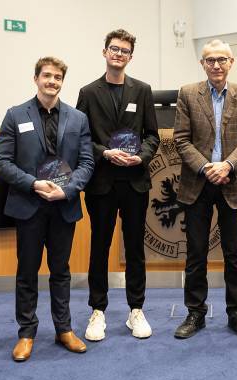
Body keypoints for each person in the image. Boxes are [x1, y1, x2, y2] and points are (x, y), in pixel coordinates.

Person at [0, 57, 94, 362]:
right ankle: (26, 333)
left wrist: (65, 189)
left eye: (57, 77)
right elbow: (2, 162)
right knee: (27, 272)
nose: (52, 81)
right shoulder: (15, 115)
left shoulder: (78, 119)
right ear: (36, 78)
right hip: (29, 205)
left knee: (61, 271)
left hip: (63, 205)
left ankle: (64, 329)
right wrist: (34, 184)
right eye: (47, 76)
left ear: (63, 81)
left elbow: (87, 163)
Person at [76, 29, 159, 341]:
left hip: (135, 182)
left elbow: (152, 135)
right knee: (100, 246)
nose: (119, 54)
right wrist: (104, 152)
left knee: (135, 247)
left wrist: (142, 157)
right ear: (105, 52)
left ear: (130, 57)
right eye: (114, 49)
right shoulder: (88, 92)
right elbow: (80, 138)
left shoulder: (142, 90)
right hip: (102, 182)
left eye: (125, 50)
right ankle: (97, 310)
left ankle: (136, 310)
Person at [173, 39, 237, 339]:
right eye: (210, 60)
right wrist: (207, 167)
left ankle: (236, 313)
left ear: (231, 62)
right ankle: (195, 314)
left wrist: (227, 166)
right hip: (197, 183)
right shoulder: (187, 93)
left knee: (234, 253)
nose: (216, 65)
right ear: (202, 64)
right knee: (195, 253)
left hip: (232, 183)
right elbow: (181, 139)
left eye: (222, 59)